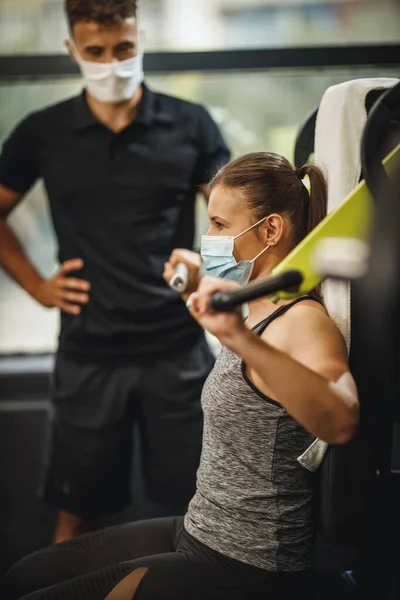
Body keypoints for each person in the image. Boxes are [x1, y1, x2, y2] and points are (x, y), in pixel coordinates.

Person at [3, 152, 359, 600]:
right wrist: (195, 291)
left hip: (247, 563)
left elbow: (341, 420)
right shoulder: (257, 309)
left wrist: (239, 338)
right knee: (22, 577)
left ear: (270, 230)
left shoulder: (303, 319)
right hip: (199, 528)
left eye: (219, 224)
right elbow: (250, 366)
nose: (207, 238)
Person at [0, 0, 230, 543]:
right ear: (72, 49)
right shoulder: (42, 131)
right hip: (89, 357)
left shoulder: (191, 123)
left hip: (179, 354)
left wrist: (207, 261)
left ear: (140, 38)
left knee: (203, 513)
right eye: (95, 51)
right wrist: (36, 285)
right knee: (76, 516)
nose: (112, 62)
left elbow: (238, 223)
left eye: (123, 48)